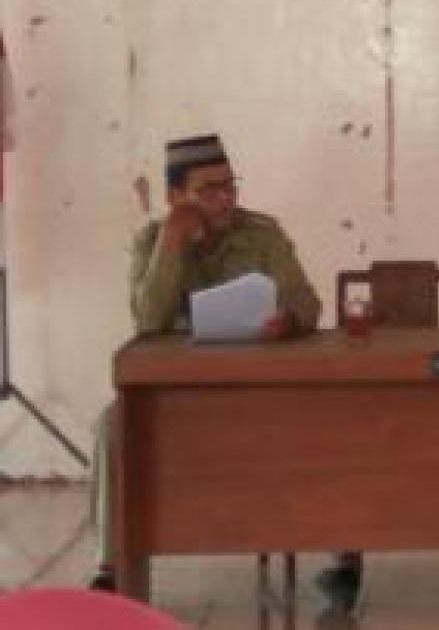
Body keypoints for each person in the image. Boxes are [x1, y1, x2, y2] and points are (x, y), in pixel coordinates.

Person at [91, 134, 321, 591]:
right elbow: (148, 321)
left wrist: (289, 322)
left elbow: (308, 304)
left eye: (229, 186)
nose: (224, 199)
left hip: (257, 388)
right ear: (175, 196)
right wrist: (173, 243)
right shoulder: (152, 241)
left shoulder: (262, 234)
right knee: (113, 425)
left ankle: (341, 544)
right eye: (208, 190)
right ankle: (112, 568)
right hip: (178, 393)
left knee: (330, 416)